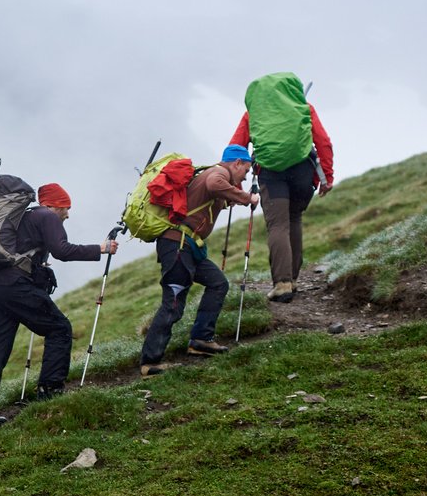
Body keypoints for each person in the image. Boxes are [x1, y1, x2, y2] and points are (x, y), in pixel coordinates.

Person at [0, 183, 118, 429]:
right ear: (53, 205)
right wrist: (101, 249)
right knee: (59, 328)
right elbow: (62, 251)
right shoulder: (46, 216)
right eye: (66, 208)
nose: (67, 214)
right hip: (15, 287)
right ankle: (50, 390)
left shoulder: (23, 217)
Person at [140, 146, 260, 376]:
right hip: (178, 245)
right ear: (236, 163)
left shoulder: (212, 174)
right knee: (173, 303)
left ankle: (200, 340)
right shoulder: (219, 173)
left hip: (189, 247)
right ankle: (150, 362)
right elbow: (215, 185)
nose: (245, 176)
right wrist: (246, 197)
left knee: (218, 283)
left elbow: (210, 195)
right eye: (245, 170)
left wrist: (230, 200)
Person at [229, 73, 336, 302]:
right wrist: (327, 176)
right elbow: (323, 142)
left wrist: (234, 183)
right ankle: (293, 279)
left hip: (271, 173)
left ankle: (282, 284)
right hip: (303, 172)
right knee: (294, 219)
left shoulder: (253, 114)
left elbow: (235, 148)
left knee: (278, 225)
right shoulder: (304, 107)